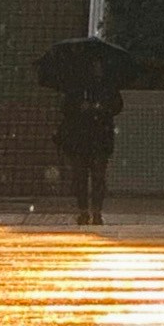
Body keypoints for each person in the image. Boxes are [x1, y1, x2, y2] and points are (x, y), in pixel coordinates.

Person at [56, 60, 120, 228]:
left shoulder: (107, 87)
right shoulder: (76, 88)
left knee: (96, 176)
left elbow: (116, 106)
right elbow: (65, 108)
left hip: (96, 137)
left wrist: (101, 108)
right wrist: (80, 107)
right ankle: (85, 211)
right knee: (82, 177)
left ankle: (95, 211)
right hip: (83, 138)